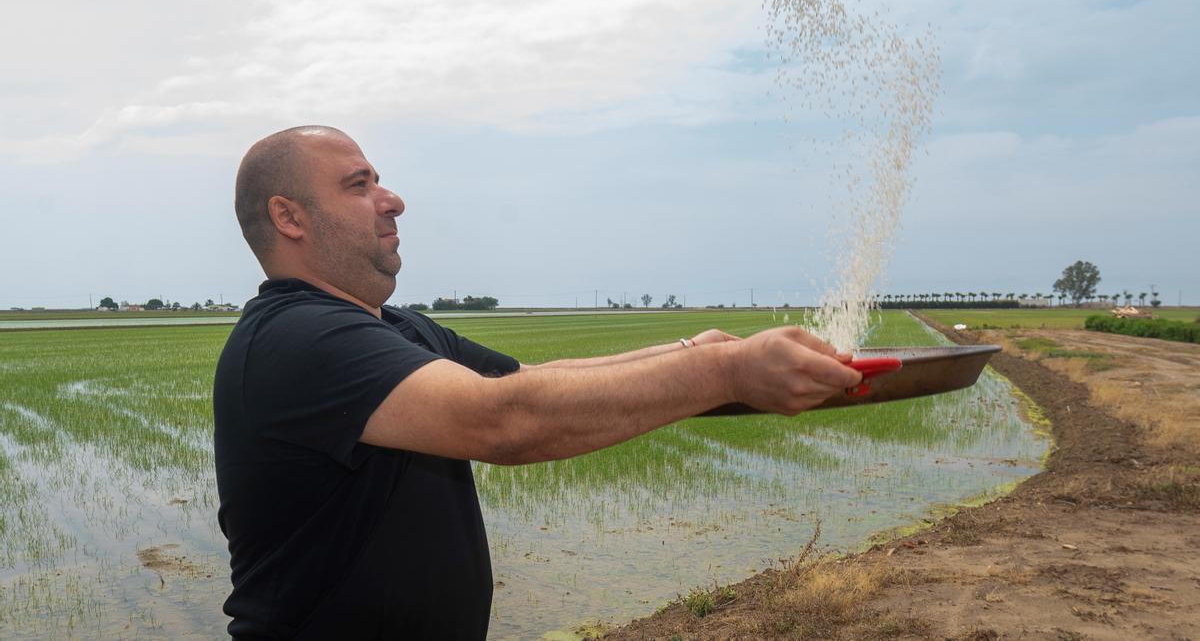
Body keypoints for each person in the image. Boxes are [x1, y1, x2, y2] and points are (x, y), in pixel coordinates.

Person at [213, 125, 861, 639]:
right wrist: (727, 372)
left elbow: (531, 378)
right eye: (359, 184)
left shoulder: (394, 328)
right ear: (289, 217)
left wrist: (699, 349)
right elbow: (505, 418)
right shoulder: (296, 338)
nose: (393, 198)